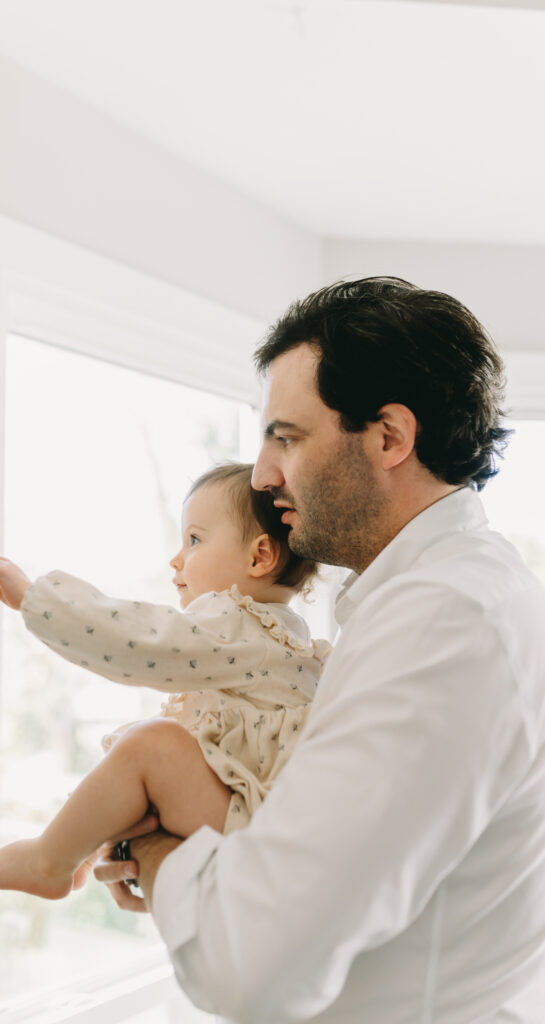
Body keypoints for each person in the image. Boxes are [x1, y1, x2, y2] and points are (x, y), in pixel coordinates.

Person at [93, 277, 545, 1024]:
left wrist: (159, 856)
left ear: (389, 437)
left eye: (286, 437)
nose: (264, 477)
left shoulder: (443, 622)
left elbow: (250, 969)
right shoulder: (456, 597)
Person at [0, 463, 328, 899]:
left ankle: (49, 859)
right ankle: (76, 852)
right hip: (260, 821)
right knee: (145, 739)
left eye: (194, 540)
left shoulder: (239, 624)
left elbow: (140, 640)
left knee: (150, 744)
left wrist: (34, 598)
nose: (177, 559)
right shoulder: (289, 638)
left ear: (259, 556)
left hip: (252, 824)